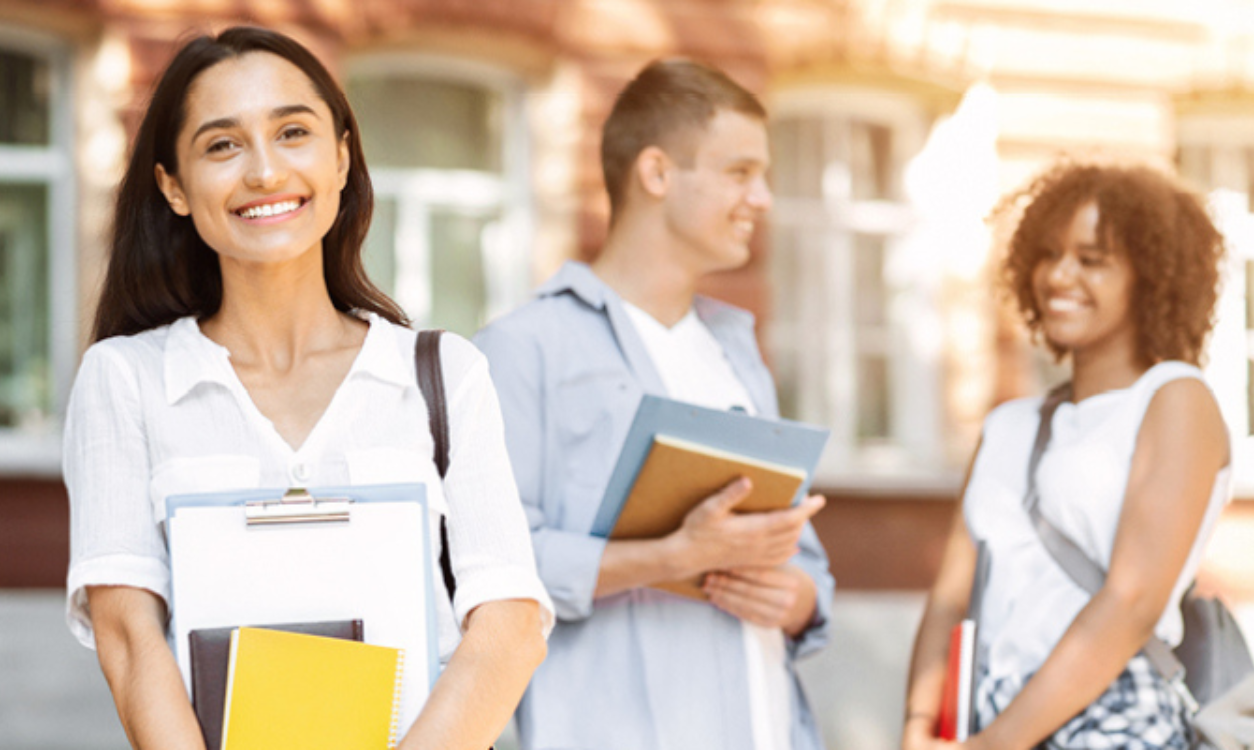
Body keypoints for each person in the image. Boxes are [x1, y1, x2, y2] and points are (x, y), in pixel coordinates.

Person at [62, 27, 553, 750]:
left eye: (293, 132)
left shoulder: (444, 374)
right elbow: (129, 638)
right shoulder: (125, 380)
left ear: (343, 157)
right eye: (222, 145)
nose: (264, 171)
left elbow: (509, 627)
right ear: (173, 186)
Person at [473, 58, 833, 750]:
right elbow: (489, 574)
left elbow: (807, 561)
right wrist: (672, 555)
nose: (763, 199)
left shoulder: (738, 353)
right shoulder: (521, 351)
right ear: (658, 173)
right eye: (740, 173)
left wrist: (799, 600)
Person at [901, 163, 1231, 750]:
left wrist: (999, 743)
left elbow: (1131, 600)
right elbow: (952, 596)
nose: (1060, 275)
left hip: (1111, 716)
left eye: (1092, 259)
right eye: (1049, 254)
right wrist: (919, 727)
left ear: (1149, 277)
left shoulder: (1174, 399)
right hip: (990, 713)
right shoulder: (1008, 426)